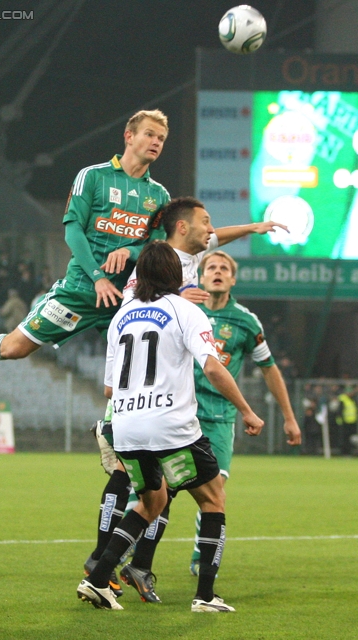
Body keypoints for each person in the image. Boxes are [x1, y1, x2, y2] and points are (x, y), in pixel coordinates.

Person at [85, 197, 291, 601]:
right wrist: (249, 409)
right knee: (208, 496)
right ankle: (202, 594)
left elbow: (112, 381)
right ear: (181, 232)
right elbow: (211, 366)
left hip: (126, 413)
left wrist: (251, 228)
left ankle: (108, 570)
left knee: (153, 497)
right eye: (206, 224)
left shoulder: (133, 304)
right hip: (168, 416)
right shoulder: (183, 297)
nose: (212, 235)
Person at [0, 109, 171, 407]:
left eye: (161, 138)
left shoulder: (159, 196)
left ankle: (110, 439)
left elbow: (157, 244)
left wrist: (130, 251)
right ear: (129, 136)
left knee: (136, 371)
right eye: (149, 134)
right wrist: (97, 277)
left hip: (126, 298)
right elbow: (73, 231)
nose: (156, 142)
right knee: (14, 348)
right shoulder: (94, 177)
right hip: (82, 290)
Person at [188, 249, 301, 574]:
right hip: (182, 411)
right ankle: (136, 557)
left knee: (215, 488)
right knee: (160, 489)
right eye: (211, 266)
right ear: (201, 275)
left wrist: (289, 418)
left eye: (225, 267)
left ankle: (201, 558)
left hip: (221, 417)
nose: (218, 271)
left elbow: (269, 367)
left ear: (233, 279)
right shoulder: (185, 309)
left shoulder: (246, 321)